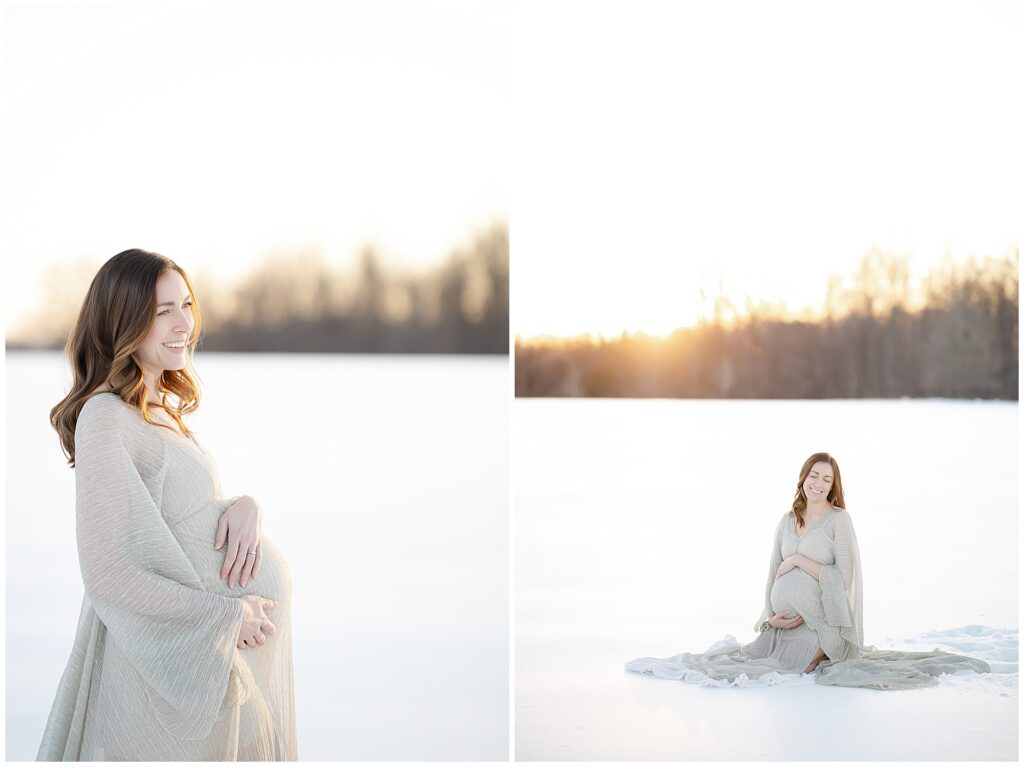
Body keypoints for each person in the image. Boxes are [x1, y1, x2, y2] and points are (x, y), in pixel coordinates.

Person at [37, 249, 297, 760]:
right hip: (160, 692)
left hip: (202, 686)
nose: (185, 323)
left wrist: (243, 505)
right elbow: (109, 573)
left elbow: (181, 519)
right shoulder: (106, 418)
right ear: (124, 320)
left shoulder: (158, 410)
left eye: (186, 304)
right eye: (162, 311)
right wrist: (224, 618)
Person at [625, 452, 990, 690]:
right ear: (802, 478)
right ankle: (787, 641)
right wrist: (771, 617)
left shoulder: (838, 521)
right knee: (743, 662)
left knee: (800, 667)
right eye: (813, 475)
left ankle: (821, 649)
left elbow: (843, 577)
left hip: (820, 623)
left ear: (834, 486)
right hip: (784, 625)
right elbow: (772, 572)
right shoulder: (786, 520)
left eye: (826, 479)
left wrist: (800, 561)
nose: (818, 483)